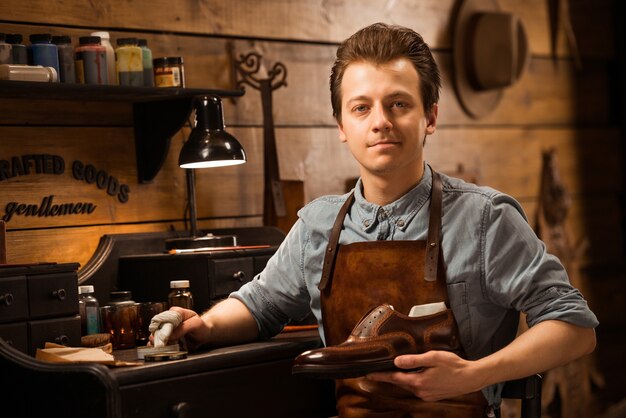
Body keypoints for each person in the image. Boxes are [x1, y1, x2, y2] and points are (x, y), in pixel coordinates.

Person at [164, 23, 598, 416]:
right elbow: (260, 305)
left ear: (430, 116)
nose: (381, 122)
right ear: (340, 124)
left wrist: (474, 374)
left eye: (398, 104)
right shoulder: (318, 225)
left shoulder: (484, 218)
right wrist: (203, 325)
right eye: (361, 108)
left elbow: (574, 327)